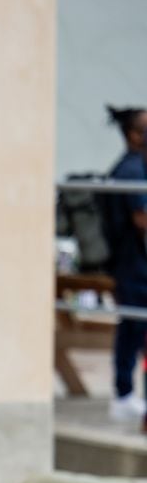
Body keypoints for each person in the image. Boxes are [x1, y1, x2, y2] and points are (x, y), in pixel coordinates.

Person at [103, 105, 147, 423]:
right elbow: (141, 217)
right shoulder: (131, 170)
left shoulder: (133, 166)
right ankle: (123, 396)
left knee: (132, 329)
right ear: (133, 134)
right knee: (133, 327)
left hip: (131, 262)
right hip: (132, 264)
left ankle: (125, 395)